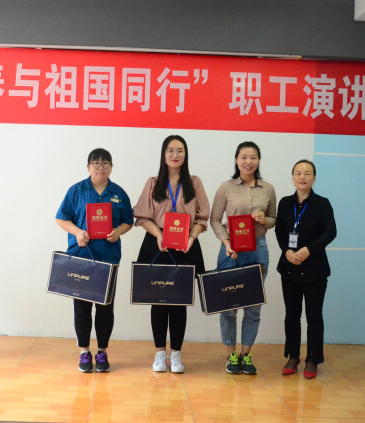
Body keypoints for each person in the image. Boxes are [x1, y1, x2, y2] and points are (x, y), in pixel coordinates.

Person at [133, 135, 210, 373]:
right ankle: (159, 353)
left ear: (185, 155)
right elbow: (143, 217)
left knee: (179, 302)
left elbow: (202, 218)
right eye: (170, 150)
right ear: (163, 154)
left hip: (186, 244)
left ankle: (176, 353)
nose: (175, 155)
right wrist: (159, 235)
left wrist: (191, 238)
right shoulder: (153, 182)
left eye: (179, 150)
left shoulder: (194, 182)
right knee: (158, 301)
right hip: (157, 244)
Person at [55, 148, 133, 373]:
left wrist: (118, 232)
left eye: (105, 163)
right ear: (88, 167)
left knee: (105, 308)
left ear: (111, 167)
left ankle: (102, 351)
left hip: (108, 259)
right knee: (81, 309)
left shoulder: (118, 193)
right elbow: (61, 218)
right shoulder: (77, 190)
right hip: (80, 258)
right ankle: (84, 351)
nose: (101, 167)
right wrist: (78, 232)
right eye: (96, 163)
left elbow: (128, 221)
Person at [210, 141, 276, 375]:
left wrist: (264, 220)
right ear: (236, 160)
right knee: (228, 307)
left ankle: (245, 355)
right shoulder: (225, 187)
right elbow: (215, 219)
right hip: (231, 251)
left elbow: (273, 219)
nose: (248, 162)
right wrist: (226, 242)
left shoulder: (268, 188)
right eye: (244, 157)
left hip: (258, 249)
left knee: (253, 307)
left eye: (253, 157)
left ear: (259, 160)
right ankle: (231, 354)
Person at [275, 159, 336, 379]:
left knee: (314, 316)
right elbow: (280, 231)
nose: (302, 177)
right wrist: (286, 251)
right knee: (291, 315)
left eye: (307, 173)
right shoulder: (284, 203)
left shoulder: (322, 204)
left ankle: (313, 358)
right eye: (298, 173)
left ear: (314, 178)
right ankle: (293, 356)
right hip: (290, 267)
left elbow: (330, 232)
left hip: (315, 269)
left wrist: (309, 250)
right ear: (293, 177)